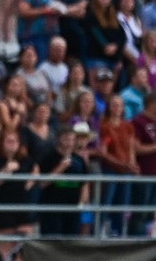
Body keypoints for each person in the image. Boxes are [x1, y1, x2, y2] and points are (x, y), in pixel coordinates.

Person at [0, 129, 40, 261]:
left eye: (14, 142)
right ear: (2, 143)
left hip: (22, 208)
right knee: (6, 247)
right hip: (0, 209)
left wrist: (27, 184)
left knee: (22, 246)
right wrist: (6, 171)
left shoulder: (26, 160)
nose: (12, 145)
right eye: (8, 141)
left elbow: (35, 173)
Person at [36, 127, 90, 237]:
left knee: (71, 243)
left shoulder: (79, 160)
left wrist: (82, 202)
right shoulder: (47, 158)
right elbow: (41, 184)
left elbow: (84, 183)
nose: (69, 143)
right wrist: (60, 168)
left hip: (73, 210)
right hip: (52, 210)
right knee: (53, 242)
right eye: (66, 139)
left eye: (72, 140)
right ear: (58, 140)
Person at [98, 94, 139, 236]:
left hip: (126, 170)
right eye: (114, 105)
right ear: (109, 107)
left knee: (123, 203)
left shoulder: (128, 126)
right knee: (107, 200)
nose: (117, 108)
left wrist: (132, 163)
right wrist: (121, 164)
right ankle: (100, 229)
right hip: (111, 168)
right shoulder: (104, 126)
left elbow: (131, 147)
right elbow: (104, 151)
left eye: (120, 105)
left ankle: (119, 231)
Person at [130, 91, 156, 237]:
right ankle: (136, 241)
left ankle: (148, 241)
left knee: (151, 213)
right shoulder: (137, 122)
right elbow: (136, 148)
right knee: (140, 211)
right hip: (144, 173)